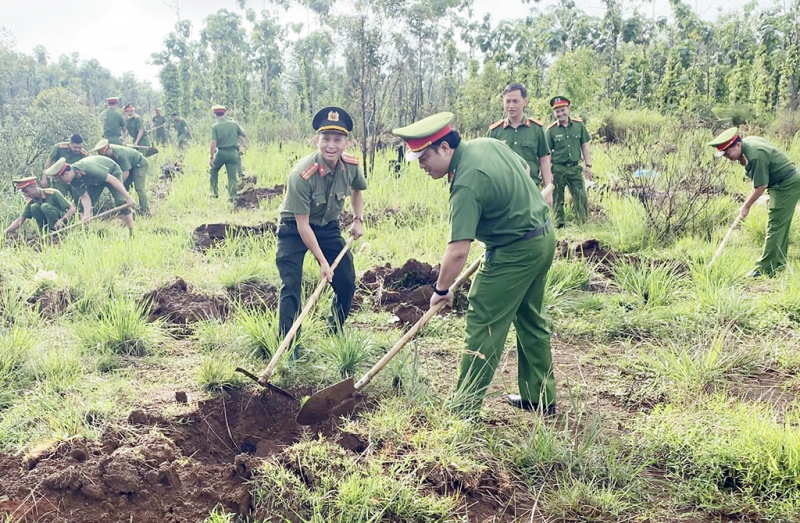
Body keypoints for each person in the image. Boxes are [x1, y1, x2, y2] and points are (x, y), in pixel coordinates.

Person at [393, 112, 556, 418]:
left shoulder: (466, 183)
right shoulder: (486, 144)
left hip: (515, 251)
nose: (422, 166)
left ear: (444, 148)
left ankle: (463, 408)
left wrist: (441, 289)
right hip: (542, 237)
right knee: (530, 318)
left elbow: (457, 251)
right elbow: (520, 168)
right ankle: (539, 395)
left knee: (485, 321)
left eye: (424, 158)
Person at [276, 106, 366, 355]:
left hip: (327, 228)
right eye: (325, 139)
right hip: (294, 230)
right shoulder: (302, 174)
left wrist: (358, 218)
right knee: (291, 285)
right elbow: (303, 225)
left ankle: (334, 329)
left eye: (337, 139)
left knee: (346, 279)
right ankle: (289, 347)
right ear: (317, 140)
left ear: (346, 142)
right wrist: (323, 262)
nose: (331, 145)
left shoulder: (350, 165)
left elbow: (357, 188)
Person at [709, 127, 800, 276]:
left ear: (738, 144)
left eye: (728, 153)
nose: (727, 157)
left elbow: (761, 186)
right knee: (781, 225)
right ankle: (778, 265)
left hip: (786, 184)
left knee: (776, 225)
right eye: (724, 155)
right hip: (785, 180)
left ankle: (764, 269)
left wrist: (746, 206)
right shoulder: (748, 144)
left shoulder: (755, 155)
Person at [488, 83, 553, 198]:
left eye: (515, 101)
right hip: (503, 190)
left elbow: (544, 160)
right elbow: (487, 162)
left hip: (530, 188)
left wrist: (548, 191)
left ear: (525, 102)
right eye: (507, 101)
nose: (511, 105)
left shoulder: (536, 129)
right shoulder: (495, 131)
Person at [44, 157, 136, 234]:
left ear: (66, 174)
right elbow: (85, 197)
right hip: (95, 182)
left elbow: (113, 180)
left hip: (112, 172)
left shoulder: (87, 168)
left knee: (121, 202)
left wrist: (128, 197)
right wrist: (87, 215)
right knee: (83, 209)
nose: (60, 182)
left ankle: (131, 233)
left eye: (59, 179)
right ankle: (86, 233)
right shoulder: (73, 180)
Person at [546, 96, 592, 228]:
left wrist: (588, 165)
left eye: (563, 110)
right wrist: (548, 173)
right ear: (554, 113)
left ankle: (583, 222)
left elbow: (584, 145)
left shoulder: (578, 126)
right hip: (558, 168)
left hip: (575, 168)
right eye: (557, 111)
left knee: (580, 196)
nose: (560, 114)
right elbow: (547, 153)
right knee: (557, 198)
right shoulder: (551, 130)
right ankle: (559, 224)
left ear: (568, 109)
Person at [91, 139, 150, 215]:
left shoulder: (120, 154)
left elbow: (125, 173)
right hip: (130, 166)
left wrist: (117, 186)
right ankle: (127, 209)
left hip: (139, 164)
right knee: (124, 187)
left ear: (107, 148)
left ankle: (145, 211)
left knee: (139, 188)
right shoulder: (107, 154)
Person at [4, 177, 75, 237]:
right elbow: (20, 219)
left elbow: (72, 209)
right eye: (24, 192)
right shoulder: (31, 202)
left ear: (34, 186)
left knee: (45, 206)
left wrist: (62, 220)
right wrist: (6, 231)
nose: (26, 194)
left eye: (27, 191)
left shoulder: (52, 193)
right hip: (48, 230)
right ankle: (44, 233)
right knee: (34, 207)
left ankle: (57, 233)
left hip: (63, 224)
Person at [208, 105, 248, 201]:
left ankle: (214, 193)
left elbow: (213, 143)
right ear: (225, 113)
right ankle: (232, 197)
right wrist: (237, 124)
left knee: (213, 170)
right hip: (233, 153)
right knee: (232, 176)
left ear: (215, 114)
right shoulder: (233, 124)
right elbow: (243, 134)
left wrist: (211, 157)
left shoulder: (215, 127)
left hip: (221, 153)